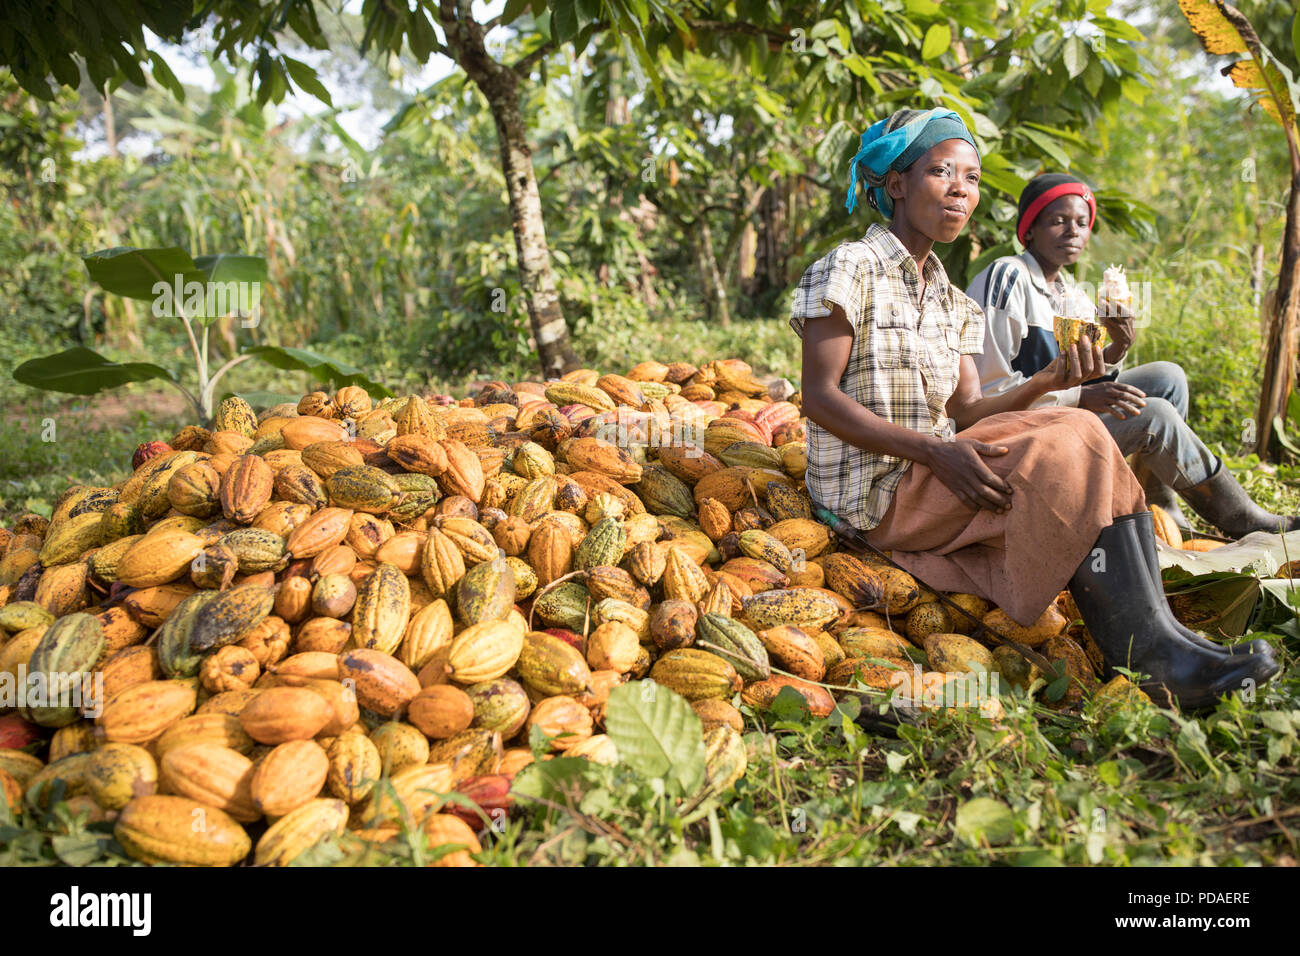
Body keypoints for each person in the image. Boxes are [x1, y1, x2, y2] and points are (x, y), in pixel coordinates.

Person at [791, 108, 1277, 711]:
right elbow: (819, 396)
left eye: (971, 179)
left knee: (1078, 427)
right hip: (878, 491)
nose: (961, 190)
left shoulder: (948, 296)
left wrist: (1051, 379)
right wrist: (934, 450)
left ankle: (1167, 643)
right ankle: (1155, 657)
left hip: (937, 461)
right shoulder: (850, 268)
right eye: (943, 172)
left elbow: (967, 408)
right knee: (1065, 443)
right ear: (897, 184)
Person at [967, 172, 1299, 539]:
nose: (1072, 231)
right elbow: (990, 387)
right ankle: (1246, 520)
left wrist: (1117, 348)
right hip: (1019, 438)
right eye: (1057, 221)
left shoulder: (1070, 292)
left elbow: (1085, 378)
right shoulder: (1007, 276)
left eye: (1081, 222)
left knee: (1167, 377)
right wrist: (1079, 397)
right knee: (1154, 414)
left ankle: (1162, 506)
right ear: (1029, 229)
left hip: (1060, 418)